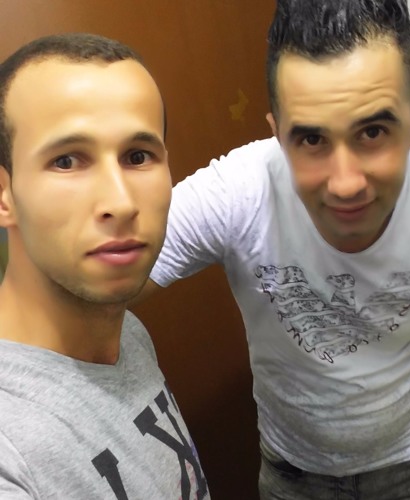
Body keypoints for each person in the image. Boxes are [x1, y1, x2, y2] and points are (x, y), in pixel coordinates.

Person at [138, 0, 410, 498]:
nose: (346, 184)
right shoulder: (237, 190)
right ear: (277, 135)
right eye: (311, 139)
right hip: (292, 475)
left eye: (373, 131)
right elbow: (107, 279)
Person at [0, 33, 209, 499]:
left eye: (138, 156)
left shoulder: (125, 331)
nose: (121, 201)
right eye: (67, 161)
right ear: (4, 194)